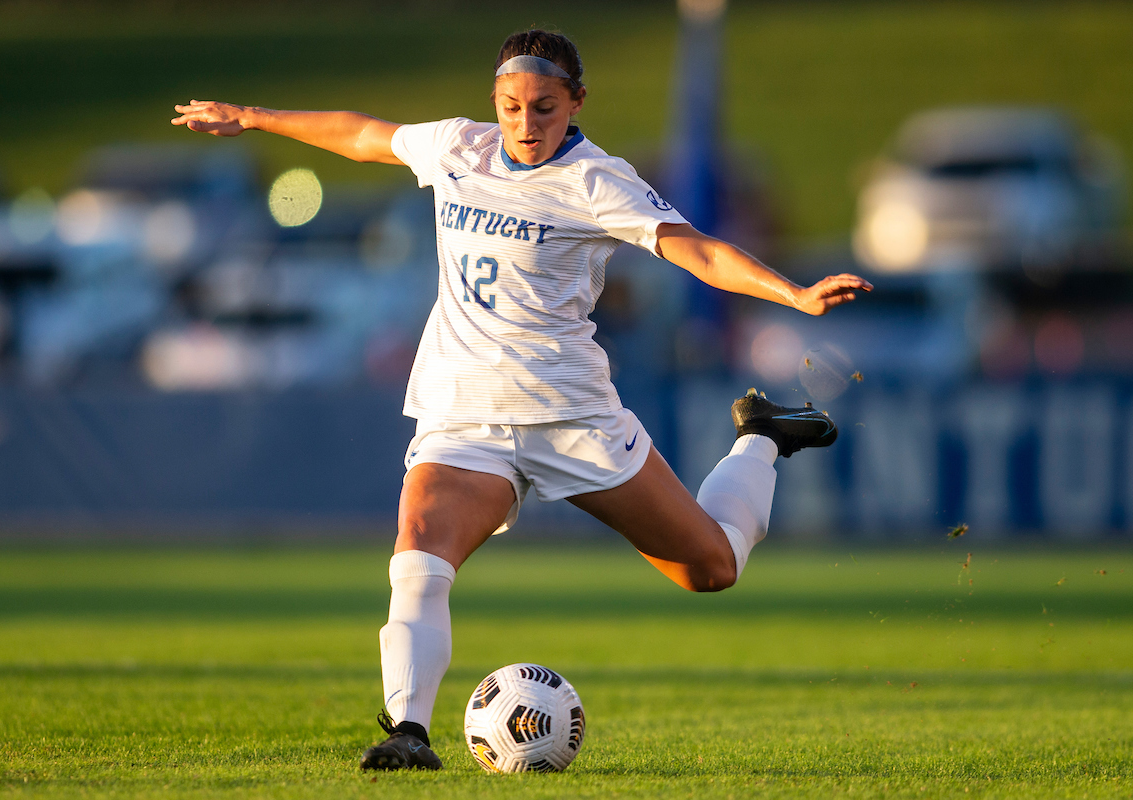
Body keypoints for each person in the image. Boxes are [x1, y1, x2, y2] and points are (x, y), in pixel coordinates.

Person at [173, 28, 872, 771]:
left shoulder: (598, 180)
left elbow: (693, 247)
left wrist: (790, 292)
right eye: (511, 106)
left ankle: (760, 436)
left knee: (712, 567)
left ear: (575, 102)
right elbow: (362, 135)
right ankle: (407, 732)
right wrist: (253, 116)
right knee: (417, 557)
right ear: (494, 103)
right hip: (464, 414)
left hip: (572, 416)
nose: (526, 123)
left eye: (544, 107)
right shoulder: (457, 148)